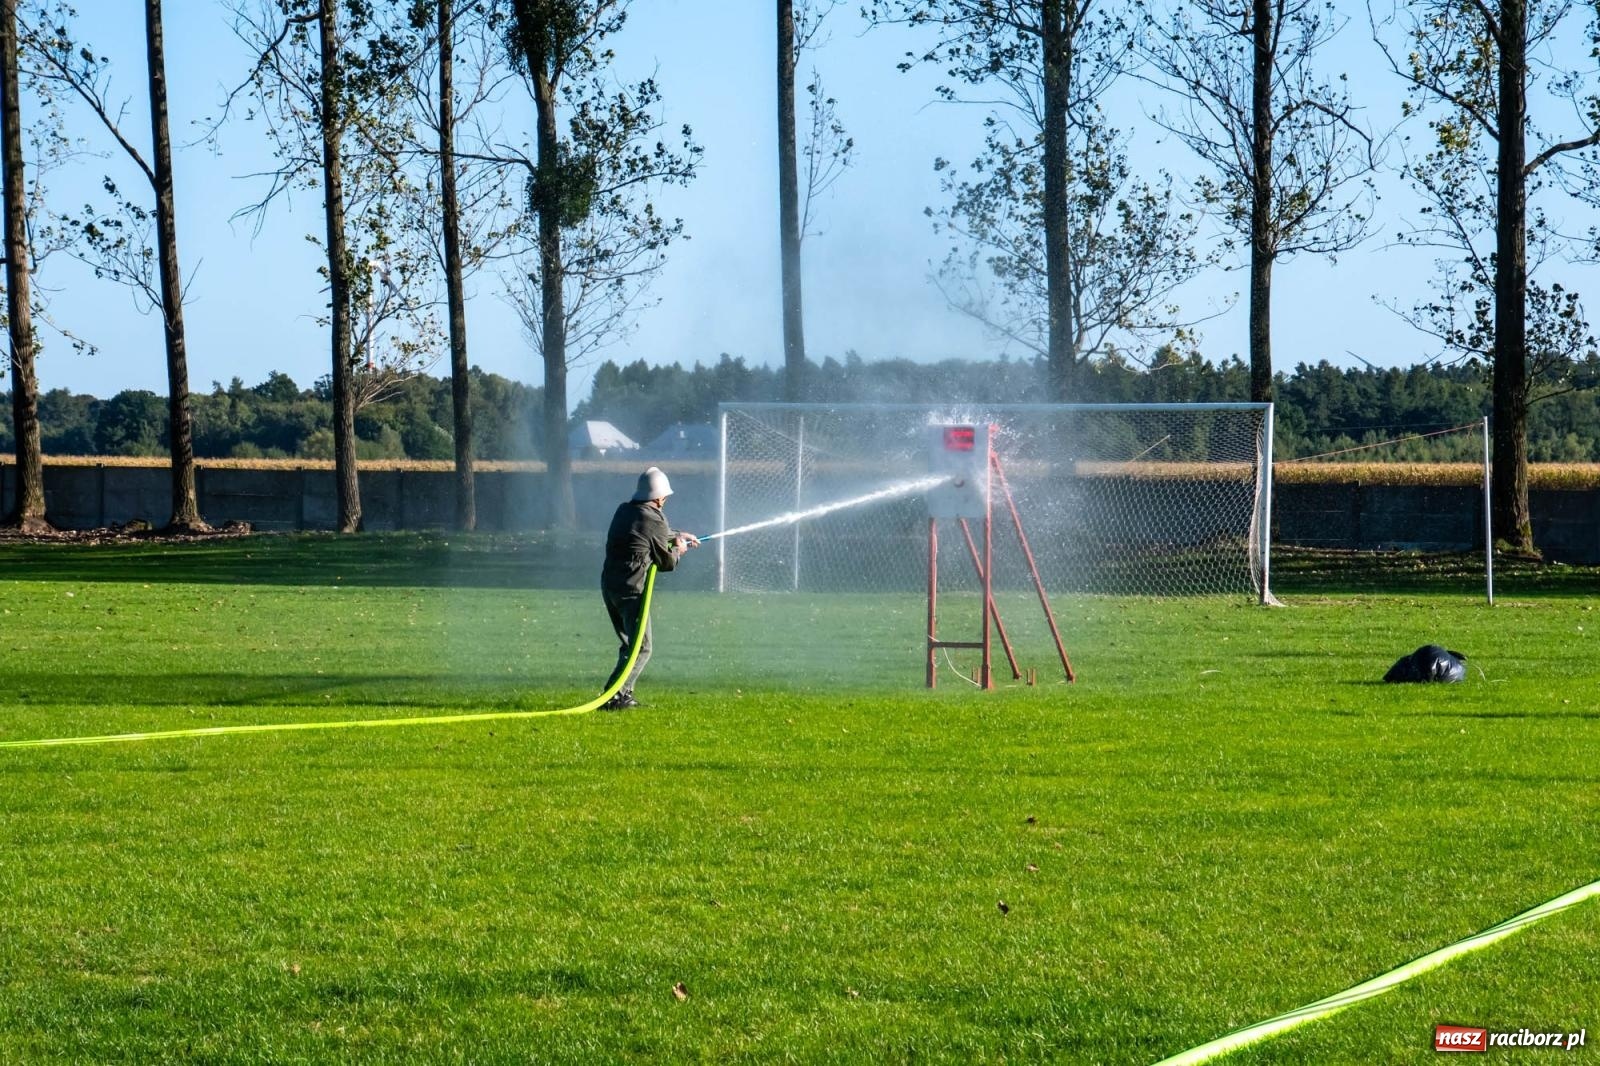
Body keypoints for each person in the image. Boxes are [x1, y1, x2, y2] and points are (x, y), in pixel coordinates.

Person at [599, 466, 700, 709]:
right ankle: (614, 696)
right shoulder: (654, 517)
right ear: (659, 497)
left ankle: (621, 694)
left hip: (610, 586)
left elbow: (646, 534)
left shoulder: (625, 510)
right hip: (632, 590)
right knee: (642, 648)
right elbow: (666, 562)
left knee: (629, 645)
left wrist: (677, 533)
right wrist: (679, 549)